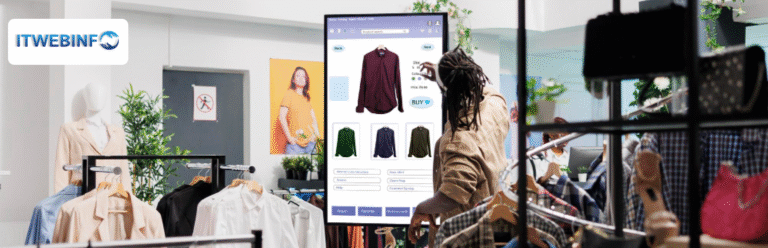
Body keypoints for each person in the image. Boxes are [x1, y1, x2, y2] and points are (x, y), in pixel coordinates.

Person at [407, 47, 510, 246]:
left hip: (465, 237)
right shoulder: (495, 103)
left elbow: (452, 195)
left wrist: (421, 209)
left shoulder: (460, 140)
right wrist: (441, 75)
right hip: (493, 228)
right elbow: (484, 90)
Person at [279, 67, 322, 154]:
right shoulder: (289, 94)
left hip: (311, 144)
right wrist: (290, 138)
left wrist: (316, 137)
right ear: (294, 80)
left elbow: (313, 120)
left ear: (306, 80)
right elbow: (281, 117)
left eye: (303, 76)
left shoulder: (307, 98)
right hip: (295, 146)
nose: (301, 78)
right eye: (298, 75)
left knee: (314, 168)